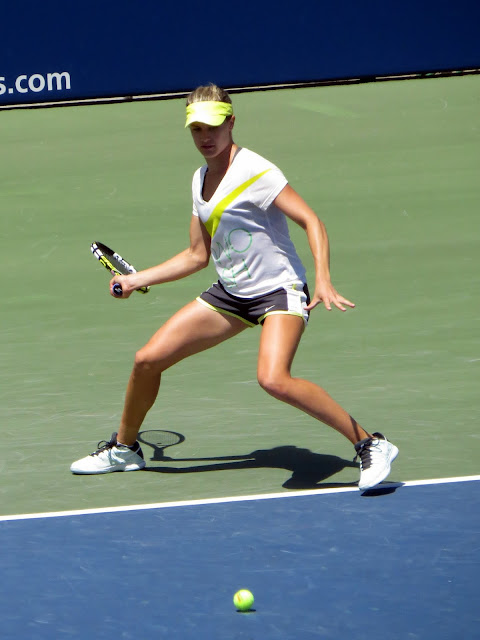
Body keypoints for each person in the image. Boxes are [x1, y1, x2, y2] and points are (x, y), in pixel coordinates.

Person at [70, 84, 399, 491]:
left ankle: (370, 443)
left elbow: (312, 221)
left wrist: (324, 278)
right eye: (196, 129)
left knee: (273, 378)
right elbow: (196, 255)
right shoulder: (200, 179)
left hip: (279, 291)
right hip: (231, 294)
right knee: (147, 359)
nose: (205, 137)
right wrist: (137, 279)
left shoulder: (257, 171)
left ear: (231, 122)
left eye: (213, 127)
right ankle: (125, 449)